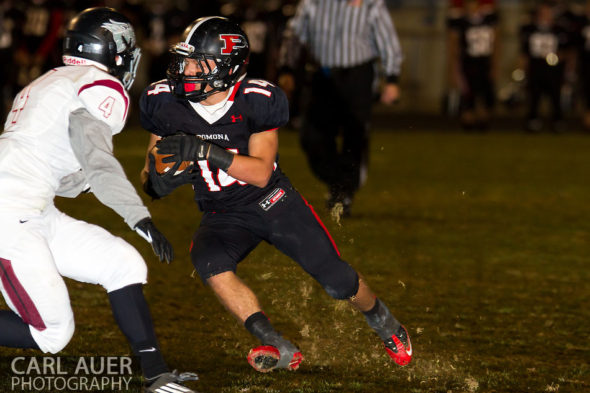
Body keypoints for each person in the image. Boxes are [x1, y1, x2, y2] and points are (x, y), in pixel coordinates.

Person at [139, 16, 412, 373]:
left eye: (196, 62)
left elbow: (261, 171)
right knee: (208, 261)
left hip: (271, 202)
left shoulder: (256, 98)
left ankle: (385, 323)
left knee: (337, 280)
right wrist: (156, 182)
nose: (185, 69)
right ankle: (276, 343)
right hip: (222, 212)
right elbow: (151, 166)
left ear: (227, 67)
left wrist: (205, 151)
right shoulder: (164, 101)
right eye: (184, 60)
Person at [0, 8, 199, 393]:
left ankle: (156, 375)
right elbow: (98, 164)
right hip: (11, 213)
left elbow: (60, 174)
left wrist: (88, 182)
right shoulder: (100, 87)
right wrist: (140, 218)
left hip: (30, 205)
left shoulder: (52, 81)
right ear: (114, 50)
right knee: (53, 333)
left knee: (122, 264)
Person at [277, 0, 403, 217]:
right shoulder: (312, 3)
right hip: (322, 76)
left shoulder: (371, 3)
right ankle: (340, 181)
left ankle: (344, 191)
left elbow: (387, 39)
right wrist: (287, 67)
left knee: (355, 137)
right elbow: (294, 35)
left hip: (357, 75)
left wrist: (392, 77)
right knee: (311, 137)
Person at [519, 1, 571, 132]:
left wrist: (557, 59)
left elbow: (566, 51)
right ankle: (533, 120)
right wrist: (521, 70)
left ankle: (557, 121)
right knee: (534, 96)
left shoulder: (559, 30)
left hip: (554, 69)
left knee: (555, 96)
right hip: (535, 67)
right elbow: (524, 53)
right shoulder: (529, 29)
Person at [447, 0, 499, 130]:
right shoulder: (460, 22)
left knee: (486, 97)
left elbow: (496, 43)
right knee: (468, 96)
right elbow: (454, 47)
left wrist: (495, 65)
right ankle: (468, 123)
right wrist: (454, 69)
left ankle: (482, 123)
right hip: (468, 63)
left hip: (484, 62)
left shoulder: (489, 19)